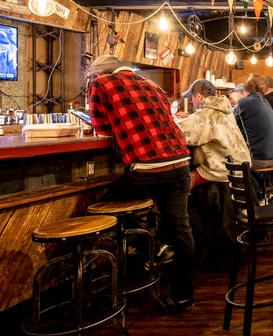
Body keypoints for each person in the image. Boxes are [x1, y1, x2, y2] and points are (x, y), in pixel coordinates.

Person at [87, 55, 195, 313]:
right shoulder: (153, 86)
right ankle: (183, 297)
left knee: (103, 210)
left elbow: (100, 131)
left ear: (99, 73)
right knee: (181, 229)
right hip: (181, 166)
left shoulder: (101, 84)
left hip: (146, 170)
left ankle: (153, 248)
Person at [175, 79, 251, 187]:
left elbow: (178, 131)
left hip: (221, 169)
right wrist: (189, 116)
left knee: (181, 184)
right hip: (240, 166)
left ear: (198, 96)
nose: (191, 102)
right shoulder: (226, 111)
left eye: (191, 98)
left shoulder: (205, 114)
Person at [234, 74, 273, 169]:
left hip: (257, 158)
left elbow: (230, 121)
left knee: (225, 163)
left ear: (245, 90)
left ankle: (251, 184)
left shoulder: (245, 102)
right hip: (272, 156)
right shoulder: (265, 102)